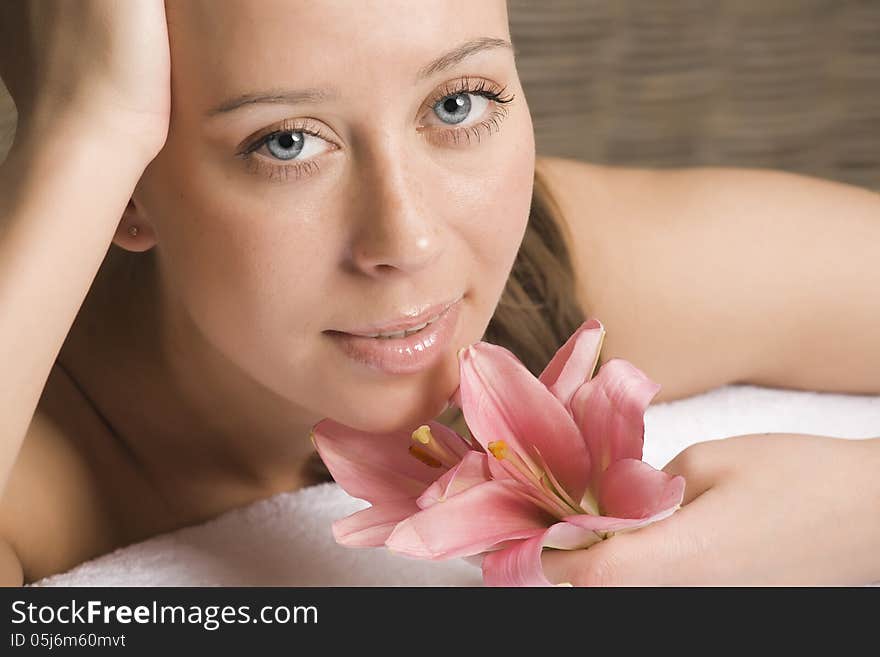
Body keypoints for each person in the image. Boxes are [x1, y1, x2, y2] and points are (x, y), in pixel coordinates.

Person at [0, 0, 877, 588]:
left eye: (457, 103)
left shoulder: (556, 272)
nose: (408, 241)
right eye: (287, 144)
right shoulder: (43, 452)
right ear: (123, 189)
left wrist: (857, 515)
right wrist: (86, 128)